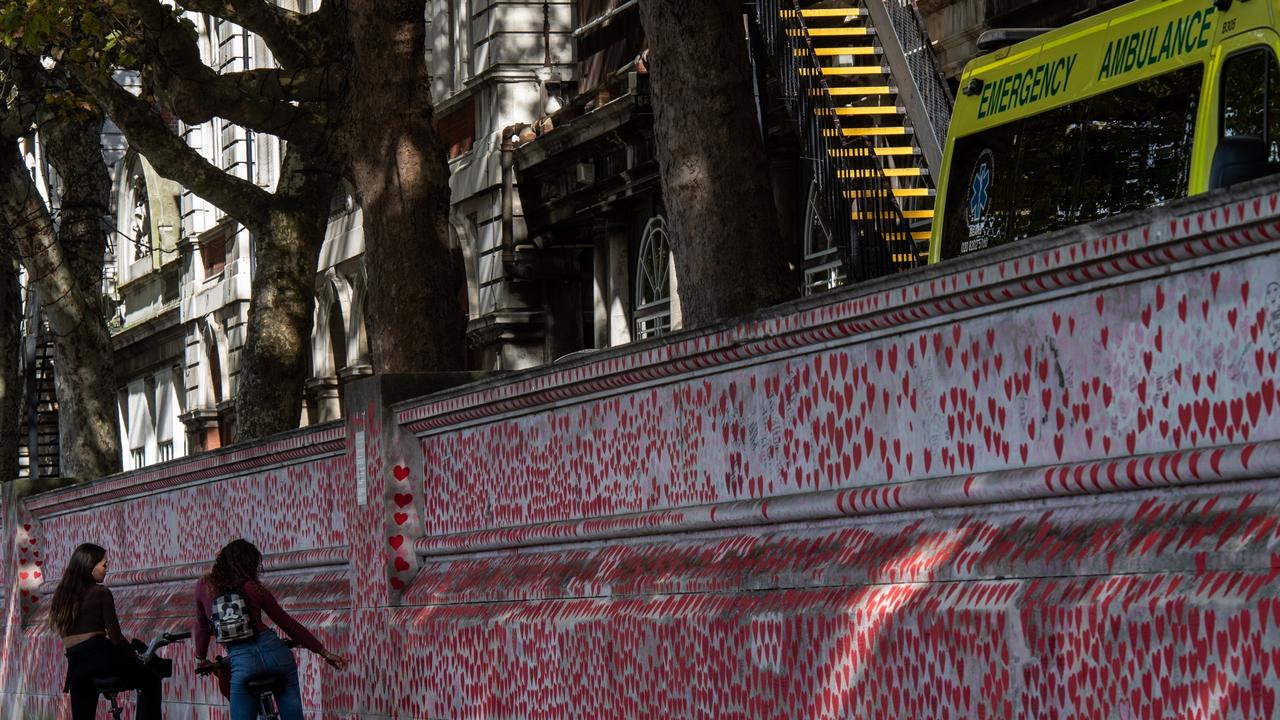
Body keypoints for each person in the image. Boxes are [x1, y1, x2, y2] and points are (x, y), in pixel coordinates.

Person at [192, 539, 346, 720]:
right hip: (277, 655)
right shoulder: (254, 588)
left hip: (243, 663)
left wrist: (201, 659)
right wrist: (324, 653)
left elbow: (202, 629)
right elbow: (288, 624)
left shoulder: (205, 587)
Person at [50, 542, 162, 720]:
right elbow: (116, 639)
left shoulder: (61, 597)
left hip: (76, 665)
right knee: (151, 679)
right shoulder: (101, 593)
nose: (106, 569)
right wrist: (133, 656)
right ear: (89, 567)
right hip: (101, 658)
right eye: (104, 565)